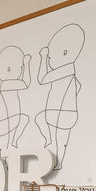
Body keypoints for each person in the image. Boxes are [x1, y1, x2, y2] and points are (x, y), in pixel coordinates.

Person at [35, 24, 85, 170]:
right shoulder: (71, 71)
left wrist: (43, 57)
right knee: (61, 140)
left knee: (54, 135)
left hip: (59, 112)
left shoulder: (65, 69)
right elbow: (79, 86)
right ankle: (58, 159)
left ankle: (50, 141)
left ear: (65, 52)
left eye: (51, 57)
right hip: (66, 112)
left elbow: (41, 78)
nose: (50, 61)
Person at [0, 46, 31, 156]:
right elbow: (26, 83)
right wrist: (26, 64)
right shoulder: (7, 83)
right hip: (7, 122)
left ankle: (12, 143)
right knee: (24, 118)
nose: (20, 71)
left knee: (2, 148)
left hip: (2, 122)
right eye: (20, 68)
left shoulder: (3, 86)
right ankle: (14, 141)